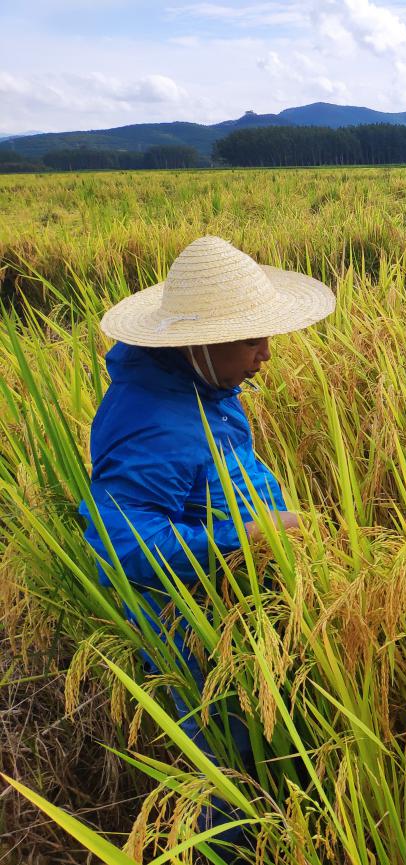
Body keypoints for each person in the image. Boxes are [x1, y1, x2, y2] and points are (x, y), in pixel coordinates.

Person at [79, 235, 334, 855]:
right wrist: (242, 535)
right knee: (228, 763)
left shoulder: (202, 389)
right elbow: (119, 545)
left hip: (235, 602)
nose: (267, 355)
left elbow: (214, 474)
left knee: (265, 741)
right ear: (201, 341)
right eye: (252, 340)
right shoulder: (153, 416)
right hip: (191, 628)